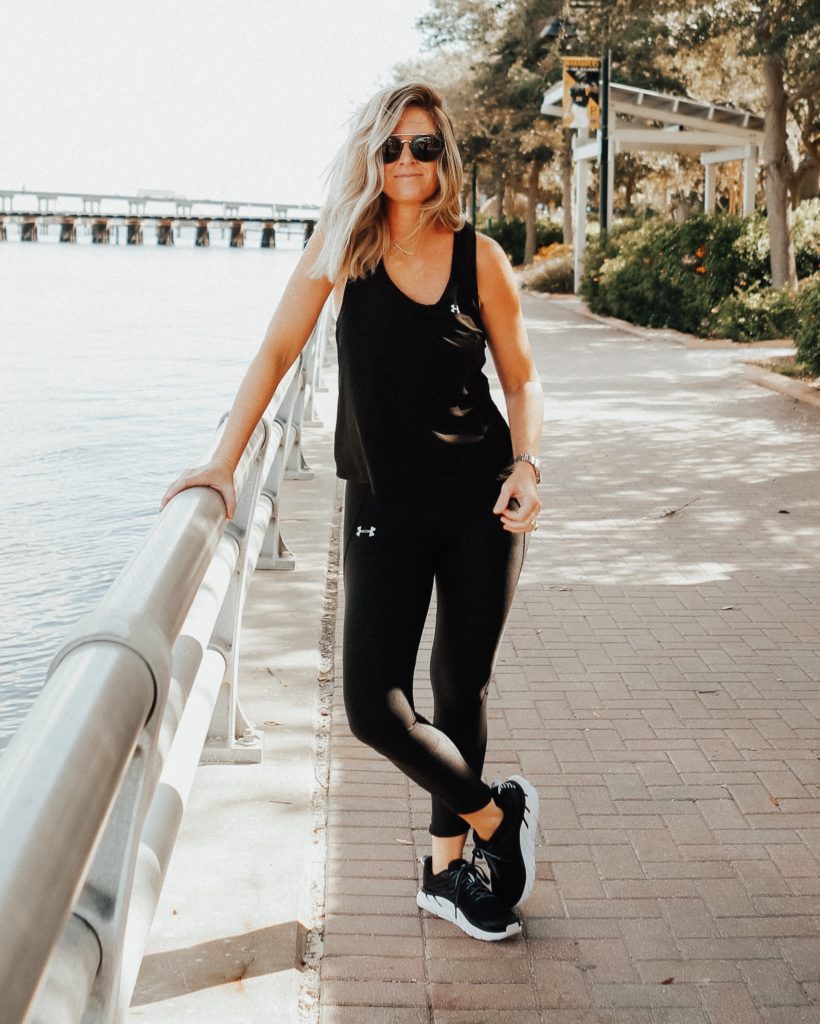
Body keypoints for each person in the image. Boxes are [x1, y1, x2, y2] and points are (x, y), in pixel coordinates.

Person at [160, 81, 544, 942]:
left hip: (481, 503)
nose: (407, 160)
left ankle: (447, 876)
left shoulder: (480, 258)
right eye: (392, 146)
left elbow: (521, 379)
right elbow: (276, 350)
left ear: (444, 157)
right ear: (372, 155)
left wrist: (527, 465)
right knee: (374, 705)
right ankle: (497, 817)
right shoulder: (342, 247)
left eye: (424, 146)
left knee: (461, 686)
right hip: (383, 504)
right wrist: (223, 461)